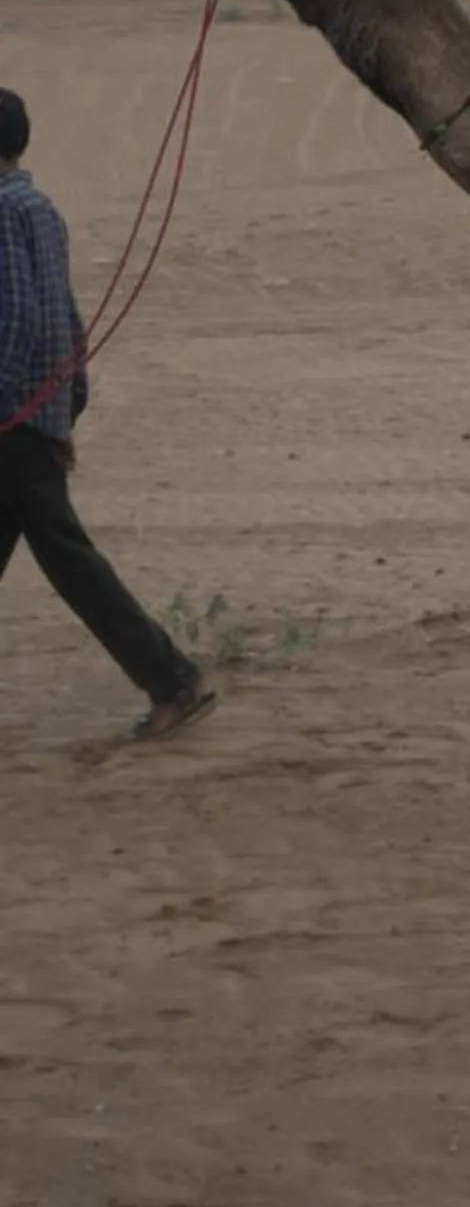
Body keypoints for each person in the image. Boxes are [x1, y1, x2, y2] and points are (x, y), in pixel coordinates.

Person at [0, 86, 214, 739]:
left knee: (70, 558)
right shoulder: (40, 208)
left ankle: (173, 680)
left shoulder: (4, 212)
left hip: (11, 421)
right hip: (33, 416)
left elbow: (18, 320)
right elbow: (65, 318)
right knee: (66, 554)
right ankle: (172, 680)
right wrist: (70, 400)